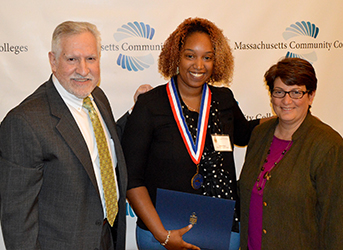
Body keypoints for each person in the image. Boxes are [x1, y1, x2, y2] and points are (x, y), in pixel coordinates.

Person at [122, 17, 262, 250]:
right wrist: (163, 236)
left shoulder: (224, 99)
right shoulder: (150, 105)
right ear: (175, 56)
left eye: (207, 57)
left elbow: (245, 134)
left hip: (220, 231)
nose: (199, 65)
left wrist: (286, 115)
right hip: (162, 235)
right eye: (190, 55)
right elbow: (132, 180)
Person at [0, 21, 128, 250]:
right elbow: (17, 221)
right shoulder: (24, 122)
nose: (83, 70)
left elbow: (99, 152)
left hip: (106, 239)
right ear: (52, 61)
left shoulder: (97, 98)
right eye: (72, 59)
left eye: (91, 58)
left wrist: (135, 113)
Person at [239, 57, 343, 250]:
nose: (286, 100)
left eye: (296, 92)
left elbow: (338, 226)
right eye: (279, 92)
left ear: (311, 95)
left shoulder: (329, 147)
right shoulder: (259, 135)